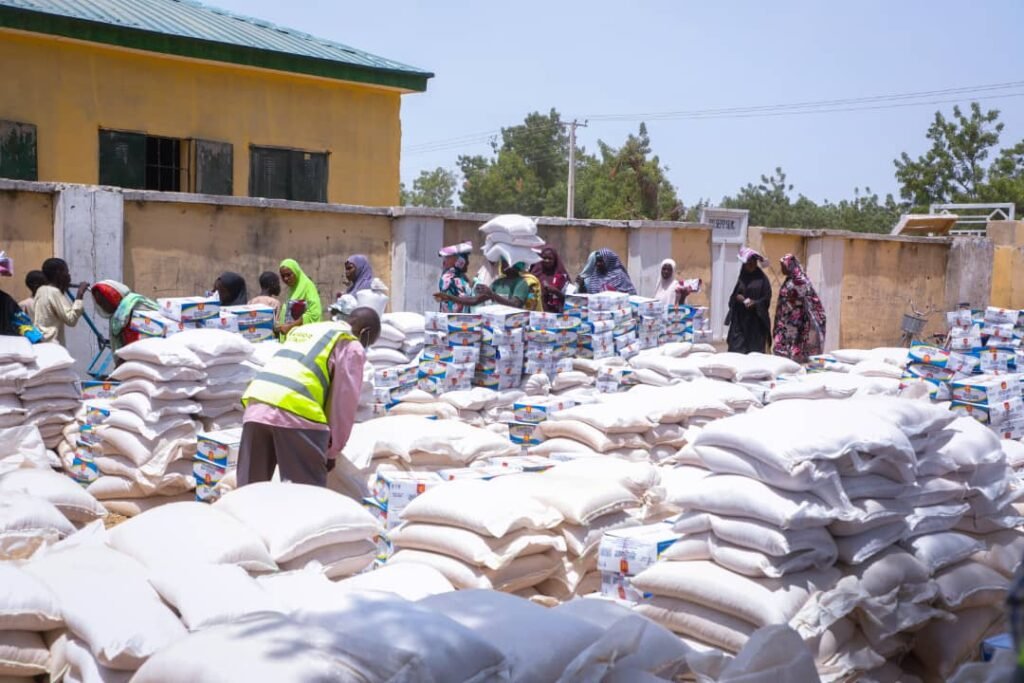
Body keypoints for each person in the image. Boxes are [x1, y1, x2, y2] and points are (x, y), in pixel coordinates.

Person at [238, 307, 381, 487]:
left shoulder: (310, 329)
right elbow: (343, 404)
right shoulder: (350, 344)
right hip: (297, 413)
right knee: (305, 499)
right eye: (368, 342)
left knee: (250, 492)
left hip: (257, 405)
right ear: (365, 333)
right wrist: (332, 451)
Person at [772, 254, 826, 363]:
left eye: (783, 266)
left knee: (797, 349)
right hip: (787, 321)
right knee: (784, 348)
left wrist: (792, 299)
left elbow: (806, 299)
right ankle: (787, 371)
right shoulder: (790, 279)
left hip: (797, 323)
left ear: (790, 266)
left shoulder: (800, 280)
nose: (782, 269)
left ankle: (806, 370)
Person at [90, 280, 158, 354]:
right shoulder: (117, 317)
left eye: (104, 301)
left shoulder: (133, 307)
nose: (102, 306)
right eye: (99, 303)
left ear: (113, 296)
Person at [726, 247, 772, 354]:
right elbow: (732, 298)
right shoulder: (742, 278)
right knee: (736, 351)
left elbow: (767, 298)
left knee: (754, 354)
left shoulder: (762, 280)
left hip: (756, 324)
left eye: (753, 262)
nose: (751, 264)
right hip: (740, 323)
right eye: (748, 262)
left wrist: (755, 303)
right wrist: (738, 298)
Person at [33, 258, 89, 344]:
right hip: (51, 344)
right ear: (58, 273)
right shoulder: (54, 292)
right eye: (66, 272)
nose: (69, 275)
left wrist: (62, 287)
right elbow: (71, 320)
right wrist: (80, 295)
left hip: (40, 340)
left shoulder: (41, 290)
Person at [277, 258, 322, 338]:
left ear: (296, 272)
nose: (285, 279)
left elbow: (314, 313)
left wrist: (290, 326)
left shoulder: (307, 286)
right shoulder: (293, 289)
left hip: (304, 338)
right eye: (283, 276)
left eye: (288, 275)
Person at [433, 242, 474, 312]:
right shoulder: (449, 278)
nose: (468, 263)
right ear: (460, 261)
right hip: (453, 320)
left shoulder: (461, 277)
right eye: (466, 259)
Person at [530, 247, 570, 313]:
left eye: (550, 258)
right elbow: (528, 294)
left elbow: (569, 300)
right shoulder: (535, 274)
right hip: (536, 313)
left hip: (555, 314)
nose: (547, 260)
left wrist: (556, 292)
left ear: (555, 260)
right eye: (544, 258)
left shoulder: (562, 276)